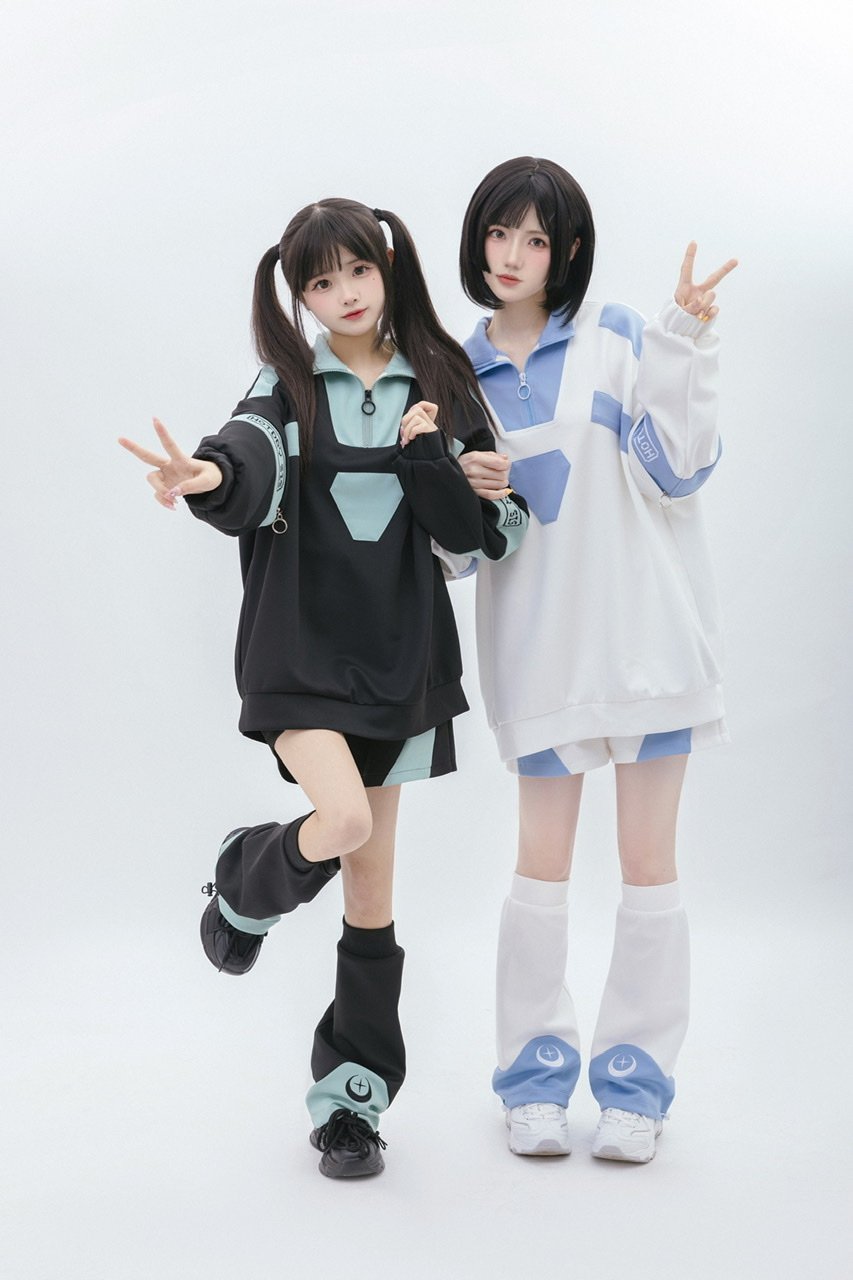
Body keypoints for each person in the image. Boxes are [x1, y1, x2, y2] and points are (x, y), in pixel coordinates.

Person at [119, 198, 528, 1179]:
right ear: (298, 295)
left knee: (372, 896)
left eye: (356, 270)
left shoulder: (439, 377)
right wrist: (203, 476)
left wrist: (445, 461)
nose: (343, 294)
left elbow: (484, 529)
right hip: (299, 649)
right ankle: (244, 879)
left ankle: (351, 1100)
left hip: (400, 659)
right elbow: (246, 456)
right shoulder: (288, 382)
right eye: (319, 281)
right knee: (340, 821)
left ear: (386, 266)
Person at [453, 156, 737, 1163]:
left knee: (648, 865)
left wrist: (682, 338)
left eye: (534, 239)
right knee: (540, 867)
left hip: (647, 643)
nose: (512, 256)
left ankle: (635, 1086)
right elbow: (452, 555)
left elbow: (678, 469)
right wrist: (464, 490)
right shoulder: (453, 372)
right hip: (539, 657)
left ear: (566, 250)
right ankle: (532, 1080)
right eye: (498, 234)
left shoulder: (619, 336)